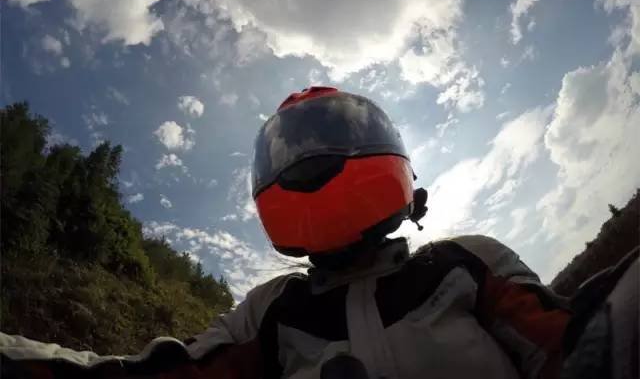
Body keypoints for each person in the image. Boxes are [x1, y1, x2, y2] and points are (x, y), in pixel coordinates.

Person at [0, 87, 635, 379]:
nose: (308, 156)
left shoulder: (465, 262)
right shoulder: (272, 311)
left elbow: (573, 343)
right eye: (291, 148)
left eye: (333, 134)